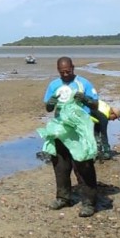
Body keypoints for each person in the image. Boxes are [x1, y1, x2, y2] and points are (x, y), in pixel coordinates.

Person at [42, 56, 99, 217]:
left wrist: (86, 99)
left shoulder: (84, 83)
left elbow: (96, 105)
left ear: (73, 68)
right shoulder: (54, 85)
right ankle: (63, 198)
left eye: (68, 71)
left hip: (80, 130)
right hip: (61, 130)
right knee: (60, 165)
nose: (66, 74)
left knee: (83, 166)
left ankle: (89, 202)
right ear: (58, 70)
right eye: (62, 72)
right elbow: (48, 108)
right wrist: (51, 103)